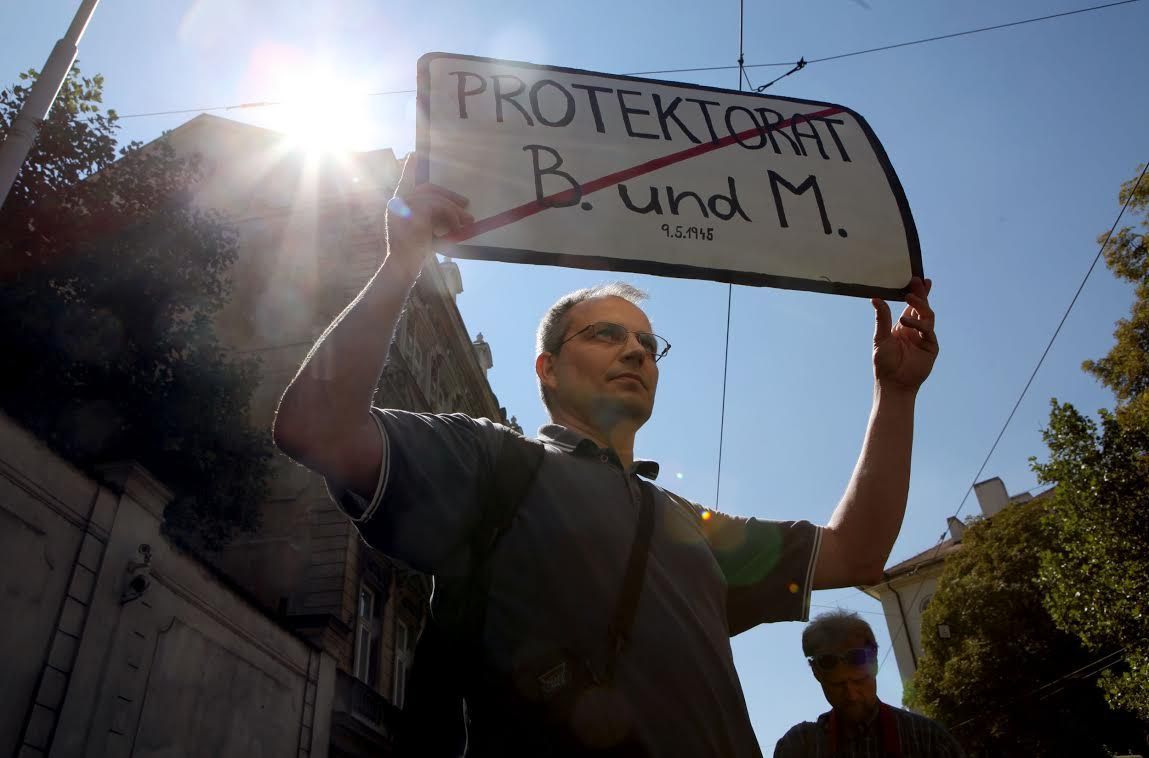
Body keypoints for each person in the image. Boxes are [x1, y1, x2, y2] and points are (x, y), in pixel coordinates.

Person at [271, 163, 940, 757]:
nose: (636, 351)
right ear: (548, 369)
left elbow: (857, 552)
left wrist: (897, 394)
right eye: (606, 334)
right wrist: (403, 261)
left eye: (647, 342)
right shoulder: (492, 461)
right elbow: (314, 426)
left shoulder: (694, 528)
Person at [773, 610, 965, 757]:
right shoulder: (798, 746)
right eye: (837, 685)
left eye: (859, 681)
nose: (851, 695)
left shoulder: (929, 740)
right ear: (816, 674)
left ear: (875, 666)